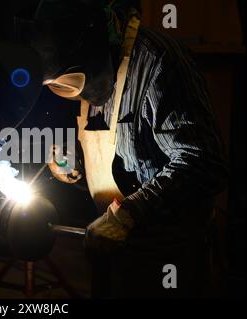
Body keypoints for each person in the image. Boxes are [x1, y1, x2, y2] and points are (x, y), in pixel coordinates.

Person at [16, 0, 228, 298]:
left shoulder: (158, 63)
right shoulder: (89, 68)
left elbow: (204, 162)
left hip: (168, 257)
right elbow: (121, 151)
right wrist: (73, 162)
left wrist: (129, 213)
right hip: (113, 252)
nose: (70, 89)